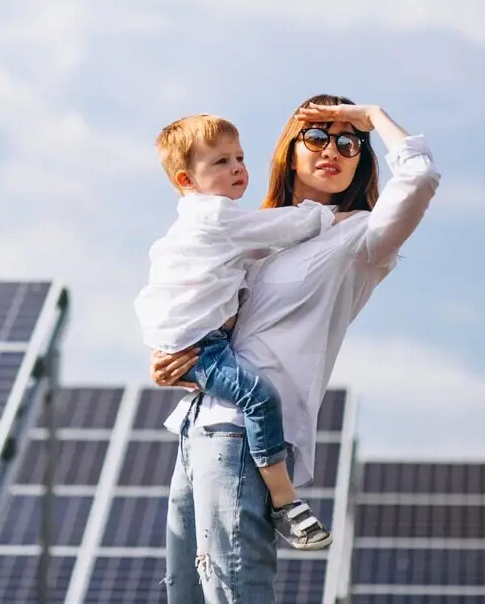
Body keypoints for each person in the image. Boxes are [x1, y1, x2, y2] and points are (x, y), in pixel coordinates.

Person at [154, 95, 440, 604]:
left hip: (246, 439)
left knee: (236, 592)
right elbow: (199, 307)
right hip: (195, 428)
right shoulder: (248, 232)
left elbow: (418, 181)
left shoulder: (359, 237)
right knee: (185, 594)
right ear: (290, 149)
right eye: (317, 136)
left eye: (350, 142)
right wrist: (176, 361)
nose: (334, 148)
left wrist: (372, 116)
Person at [133, 113, 338, 550]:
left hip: (195, 342)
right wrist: (323, 218)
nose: (237, 168)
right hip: (203, 347)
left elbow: (257, 246)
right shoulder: (215, 218)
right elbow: (277, 229)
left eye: (239, 157)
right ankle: (285, 502)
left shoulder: (205, 224)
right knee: (260, 398)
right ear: (187, 179)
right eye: (221, 162)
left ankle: (282, 497)